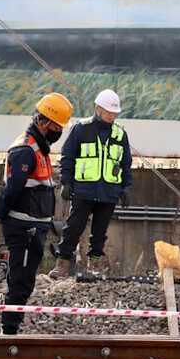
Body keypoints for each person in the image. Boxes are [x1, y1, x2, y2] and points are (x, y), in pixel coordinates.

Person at [0, 92, 72, 335]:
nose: (59, 131)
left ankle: (12, 327)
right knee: (20, 279)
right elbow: (13, 188)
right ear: (43, 123)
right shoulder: (25, 150)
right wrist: (0, 213)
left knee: (25, 279)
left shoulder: (39, 148)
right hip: (23, 228)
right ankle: (10, 330)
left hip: (34, 227)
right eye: (56, 126)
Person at [50, 89, 132, 278]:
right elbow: (68, 157)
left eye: (114, 113)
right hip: (84, 190)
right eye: (108, 112)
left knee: (99, 234)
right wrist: (66, 182)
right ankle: (62, 264)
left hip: (109, 192)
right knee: (73, 228)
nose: (111, 116)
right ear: (97, 108)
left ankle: (94, 266)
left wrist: (126, 188)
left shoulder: (120, 134)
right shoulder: (81, 129)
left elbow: (126, 164)